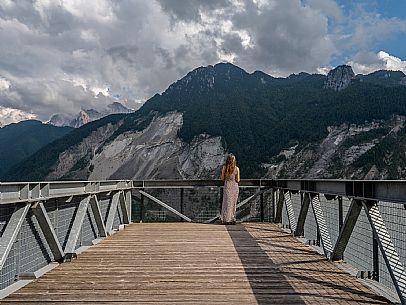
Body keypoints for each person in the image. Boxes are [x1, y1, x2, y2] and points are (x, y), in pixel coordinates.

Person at [220, 154, 240, 224]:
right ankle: (232, 219)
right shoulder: (237, 169)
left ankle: (225, 219)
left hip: (227, 187)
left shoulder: (224, 168)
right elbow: (238, 180)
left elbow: (222, 178)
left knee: (226, 203)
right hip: (234, 187)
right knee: (233, 204)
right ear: (234, 160)